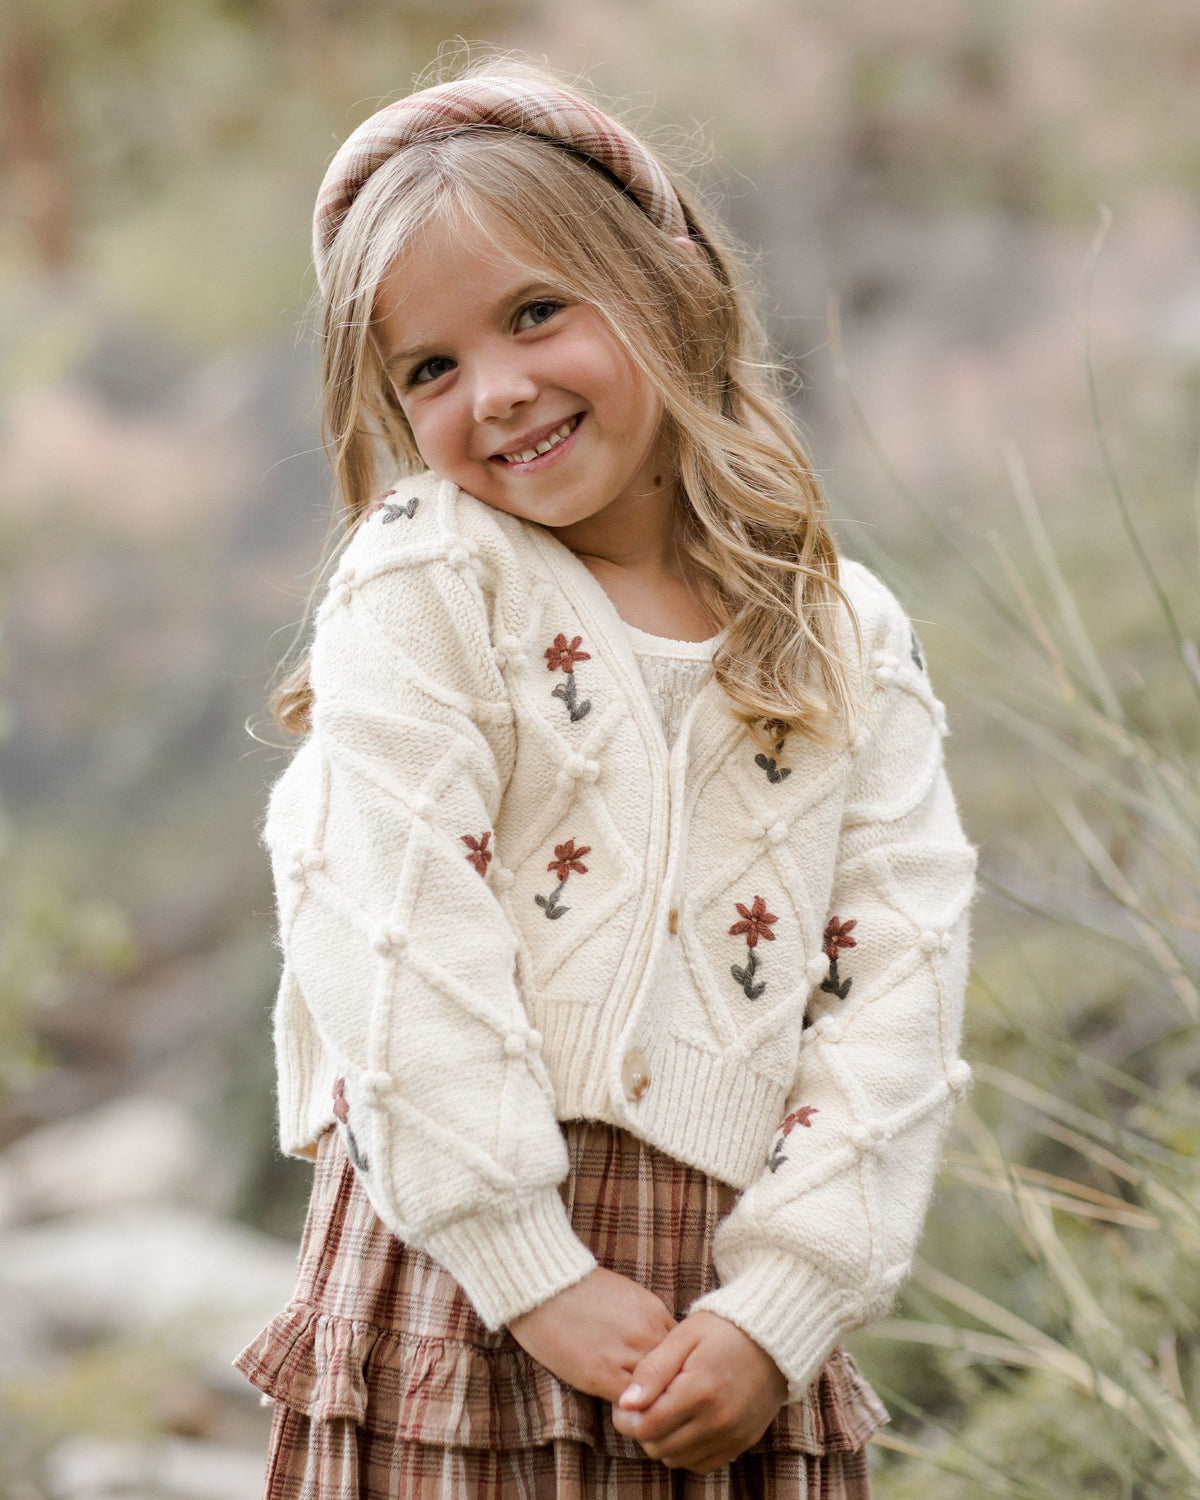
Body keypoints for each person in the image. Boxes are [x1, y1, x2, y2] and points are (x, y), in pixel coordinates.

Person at [234, 54, 977, 1499]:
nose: (498, 393)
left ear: (661, 291)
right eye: (430, 369)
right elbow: (381, 921)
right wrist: (528, 1265)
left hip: (731, 1313)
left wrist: (786, 1305)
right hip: (461, 1270)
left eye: (534, 313)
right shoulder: (431, 582)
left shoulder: (842, 637)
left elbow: (901, 972)